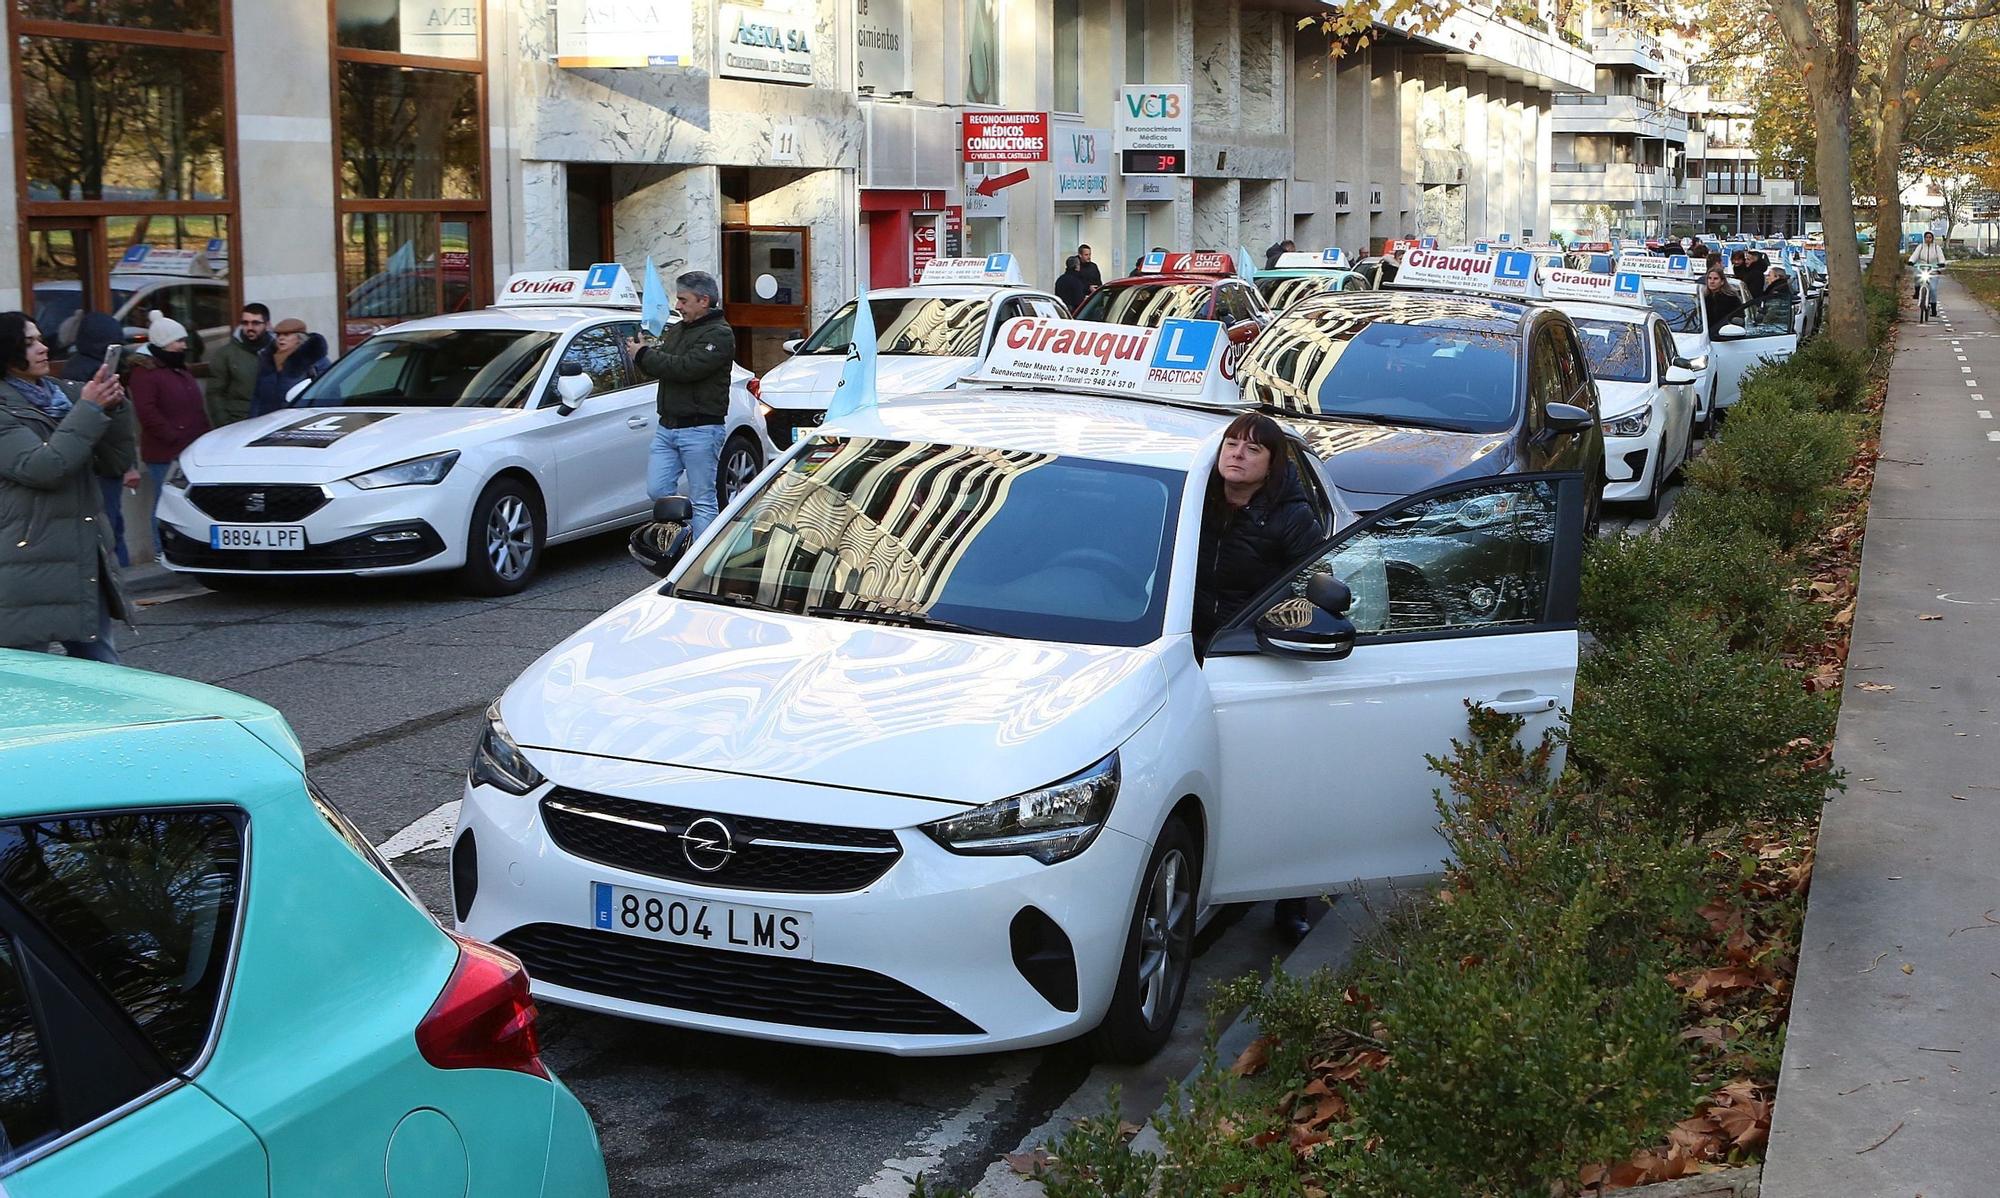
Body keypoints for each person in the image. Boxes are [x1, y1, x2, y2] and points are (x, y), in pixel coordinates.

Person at [1193, 412, 1325, 939]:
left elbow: (1317, 588)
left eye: (1252, 448)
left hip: (1258, 656)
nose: (1237, 454)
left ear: (1273, 463)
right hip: (1191, 647)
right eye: (1231, 443)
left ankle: (1291, 896)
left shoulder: (1292, 517)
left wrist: (1269, 630)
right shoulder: (1195, 502)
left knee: (1278, 782)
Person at [0, 311, 136, 663]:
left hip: (82, 556)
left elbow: (114, 463)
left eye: (41, 339)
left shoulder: (66, 395)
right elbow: (42, 467)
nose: (43, 349)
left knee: (104, 674)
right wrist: (90, 408)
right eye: (28, 343)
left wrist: (115, 407)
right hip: (25, 562)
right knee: (27, 676)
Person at [625, 270, 736, 540]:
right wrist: (644, 354)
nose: (678, 306)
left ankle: (700, 564)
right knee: (657, 489)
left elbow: (686, 368)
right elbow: (663, 365)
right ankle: (682, 538)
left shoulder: (720, 335)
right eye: (678, 300)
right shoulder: (678, 330)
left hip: (701, 429)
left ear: (704, 301)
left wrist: (645, 355)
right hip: (668, 427)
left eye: (684, 300)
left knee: (703, 498)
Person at [59, 313, 142, 566]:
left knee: (112, 527)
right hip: (101, 463)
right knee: (108, 529)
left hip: (107, 461)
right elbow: (95, 423)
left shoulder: (99, 368)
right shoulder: (86, 372)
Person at [128, 311, 210, 522]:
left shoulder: (178, 368)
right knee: (165, 506)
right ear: (164, 342)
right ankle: (159, 551)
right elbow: (147, 412)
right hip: (165, 453)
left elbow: (195, 408)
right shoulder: (145, 373)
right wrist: (172, 436)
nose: (184, 345)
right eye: (179, 341)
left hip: (190, 449)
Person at [205, 302, 273, 427]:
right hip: (239, 422)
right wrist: (225, 424)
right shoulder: (226, 354)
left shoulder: (277, 351)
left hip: (272, 422)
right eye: (245, 323)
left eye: (256, 323)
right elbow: (215, 394)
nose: (250, 327)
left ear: (267, 325)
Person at [251, 317, 331, 418]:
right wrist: (254, 421)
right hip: (268, 422)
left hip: (299, 421)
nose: (281, 338)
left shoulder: (315, 361)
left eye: (286, 335)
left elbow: (328, 393)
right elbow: (257, 398)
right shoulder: (268, 361)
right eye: (278, 335)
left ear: (299, 337)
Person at [1910, 230, 1946, 300]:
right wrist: (1911, 261)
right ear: (1924, 238)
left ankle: (1933, 308)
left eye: (1930, 237)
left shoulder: (1936, 248)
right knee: (1916, 276)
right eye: (1926, 237)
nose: (1928, 239)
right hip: (1922, 267)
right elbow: (1915, 255)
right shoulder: (1920, 247)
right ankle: (1917, 292)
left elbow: (1941, 257)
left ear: (1932, 238)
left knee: (1933, 289)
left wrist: (1941, 263)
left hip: (1933, 269)